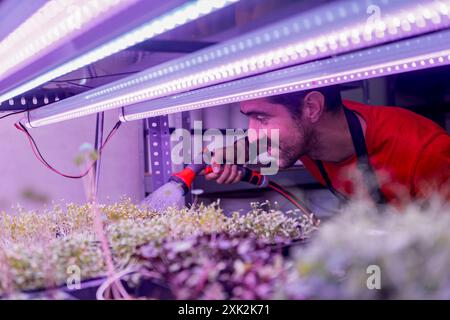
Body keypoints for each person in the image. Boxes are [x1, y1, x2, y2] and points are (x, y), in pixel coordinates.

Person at [204, 86, 450, 205]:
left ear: (312, 108)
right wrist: (229, 155)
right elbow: (251, 145)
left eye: (262, 119)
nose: (253, 134)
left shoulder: (426, 153)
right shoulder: (309, 132)